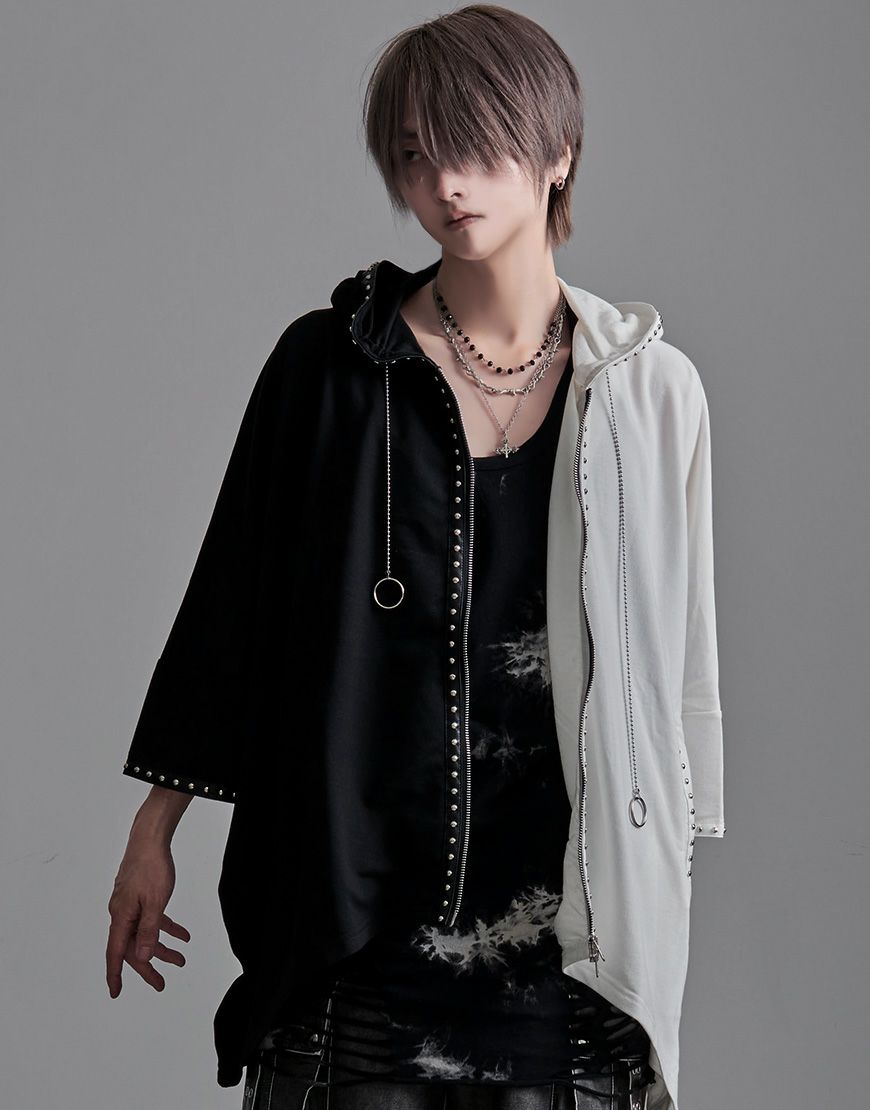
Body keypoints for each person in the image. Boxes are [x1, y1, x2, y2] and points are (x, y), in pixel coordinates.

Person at [106, 6, 724, 1110]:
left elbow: (681, 654)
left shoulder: (648, 392)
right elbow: (231, 606)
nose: (445, 183)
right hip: (356, 942)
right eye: (413, 155)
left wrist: (666, 862)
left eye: (476, 148)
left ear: (558, 151)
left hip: (569, 962)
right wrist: (154, 830)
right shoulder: (331, 366)